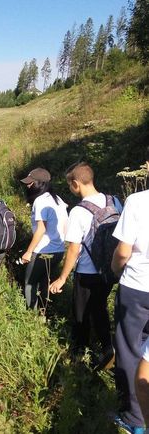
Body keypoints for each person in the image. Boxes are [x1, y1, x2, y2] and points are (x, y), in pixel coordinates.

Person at [50, 162, 120, 368]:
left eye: (70, 185)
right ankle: (108, 347)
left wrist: (62, 277)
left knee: (81, 313)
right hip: (109, 270)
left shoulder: (78, 211)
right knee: (99, 308)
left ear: (75, 184)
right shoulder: (114, 201)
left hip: (87, 272)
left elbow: (73, 249)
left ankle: (79, 355)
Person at [111, 147, 149, 434]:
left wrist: (115, 272)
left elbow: (122, 252)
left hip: (137, 287)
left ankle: (135, 419)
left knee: (130, 349)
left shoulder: (137, 202)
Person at [20, 168, 68, 310]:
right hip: (58, 251)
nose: (27, 186)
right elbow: (65, 223)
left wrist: (29, 252)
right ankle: (43, 313)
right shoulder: (58, 199)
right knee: (43, 282)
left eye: (30, 183)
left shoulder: (40, 201)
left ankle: (31, 317)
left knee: (30, 283)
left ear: (39, 183)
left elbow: (41, 229)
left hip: (43, 251)